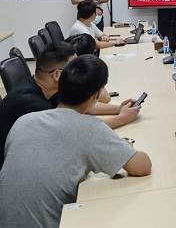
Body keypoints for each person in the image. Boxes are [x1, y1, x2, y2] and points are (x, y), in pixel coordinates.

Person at [0, 55, 151, 227]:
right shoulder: (90, 129)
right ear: (97, 94)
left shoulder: (23, 121)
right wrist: (124, 146)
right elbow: (142, 166)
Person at [0, 42, 141, 170]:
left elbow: (82, 106)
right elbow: (75, 130)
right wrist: (123, 118)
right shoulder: (33, 105)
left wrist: (118, 109)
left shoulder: (47, 86)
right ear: (57, 74)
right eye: (73, 68)